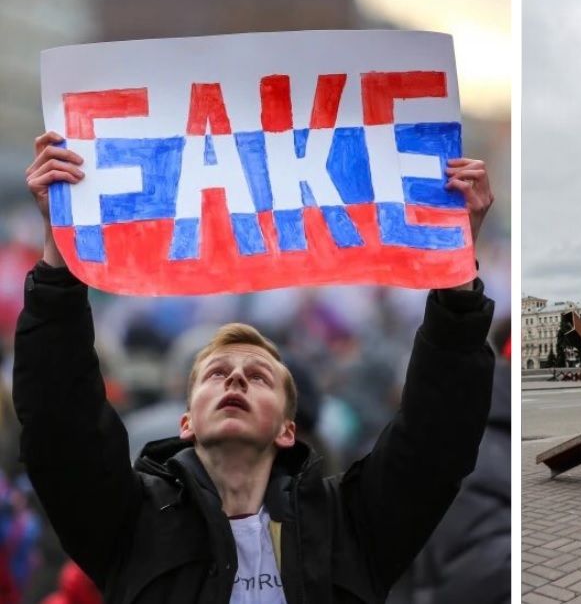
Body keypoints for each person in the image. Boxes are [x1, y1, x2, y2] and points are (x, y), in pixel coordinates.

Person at [14, 132, 498, 603]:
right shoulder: (132, 524)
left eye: (259, 376)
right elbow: (61, 423)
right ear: (187, 421)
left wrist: (456, 276)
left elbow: (435, 436)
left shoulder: (348, 527)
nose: (237, 379)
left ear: (289, 429)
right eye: (216, 374)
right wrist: (58, 256)